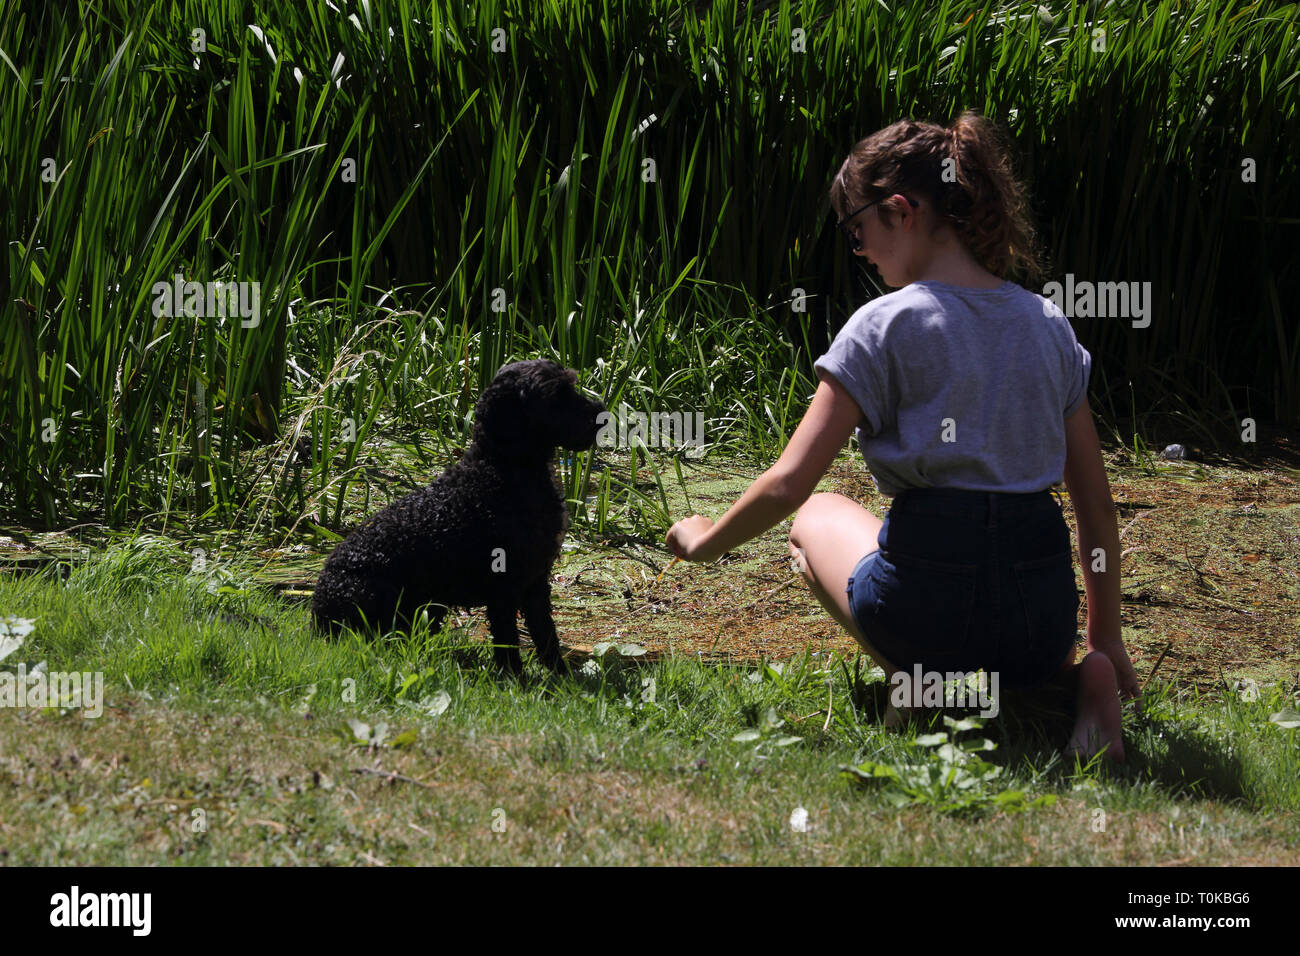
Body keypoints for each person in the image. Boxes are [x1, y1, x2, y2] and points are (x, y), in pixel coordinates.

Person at [665, 113, 1140, 761]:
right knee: (1018, 604)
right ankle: (1087, 682)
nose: (858, 250)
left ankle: (921, 676)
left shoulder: (880, 326)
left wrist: (704, 541)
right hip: (1038, 623)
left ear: (899, 210)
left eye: (857, 230)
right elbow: (1095, 506)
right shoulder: (1048, 326)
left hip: (926, 606)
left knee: (817, 515)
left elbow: (788, 482)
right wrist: (1104, 634)